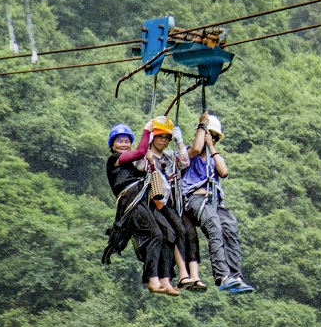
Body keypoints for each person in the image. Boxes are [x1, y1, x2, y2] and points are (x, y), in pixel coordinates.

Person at [104, 119, 180, 297]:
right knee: (155, 234)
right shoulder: (114, 160)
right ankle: (153, 280)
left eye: (126, 141)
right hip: (131, 203)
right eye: (119, 141)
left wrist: (152, 162)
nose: (123, 144)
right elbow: (139, 152)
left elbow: (142, 161)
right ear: (112, 145)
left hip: (142, 202)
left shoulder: (130, 167)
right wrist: (147, 130)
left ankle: (165, 279)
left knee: (168, 234)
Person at [182, 111, 254, 293]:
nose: (210, 138)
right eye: (208, 134)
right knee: (214, 226)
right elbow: (197, 149)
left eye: (213, 136)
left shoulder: (214, 158)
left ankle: (235, 276)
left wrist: (211, 147)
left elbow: (224, 172)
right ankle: (222, 276)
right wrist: (202, 125)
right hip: (196, 198)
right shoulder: (189, 153)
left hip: (214, 200)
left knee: (230, 227)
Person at [144, 116, 207, 292]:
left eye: (166, 138)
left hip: (171, 202)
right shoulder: (147, 156)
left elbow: (185, 162)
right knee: (176, 231)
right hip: (156, 203)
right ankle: (182, 273)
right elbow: (140, 164)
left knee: (185, 232)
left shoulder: (169, 158)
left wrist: (180, 142)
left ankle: (186, 274)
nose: (163, 141)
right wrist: (146, 141)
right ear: (153, 138)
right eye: (159, 137)